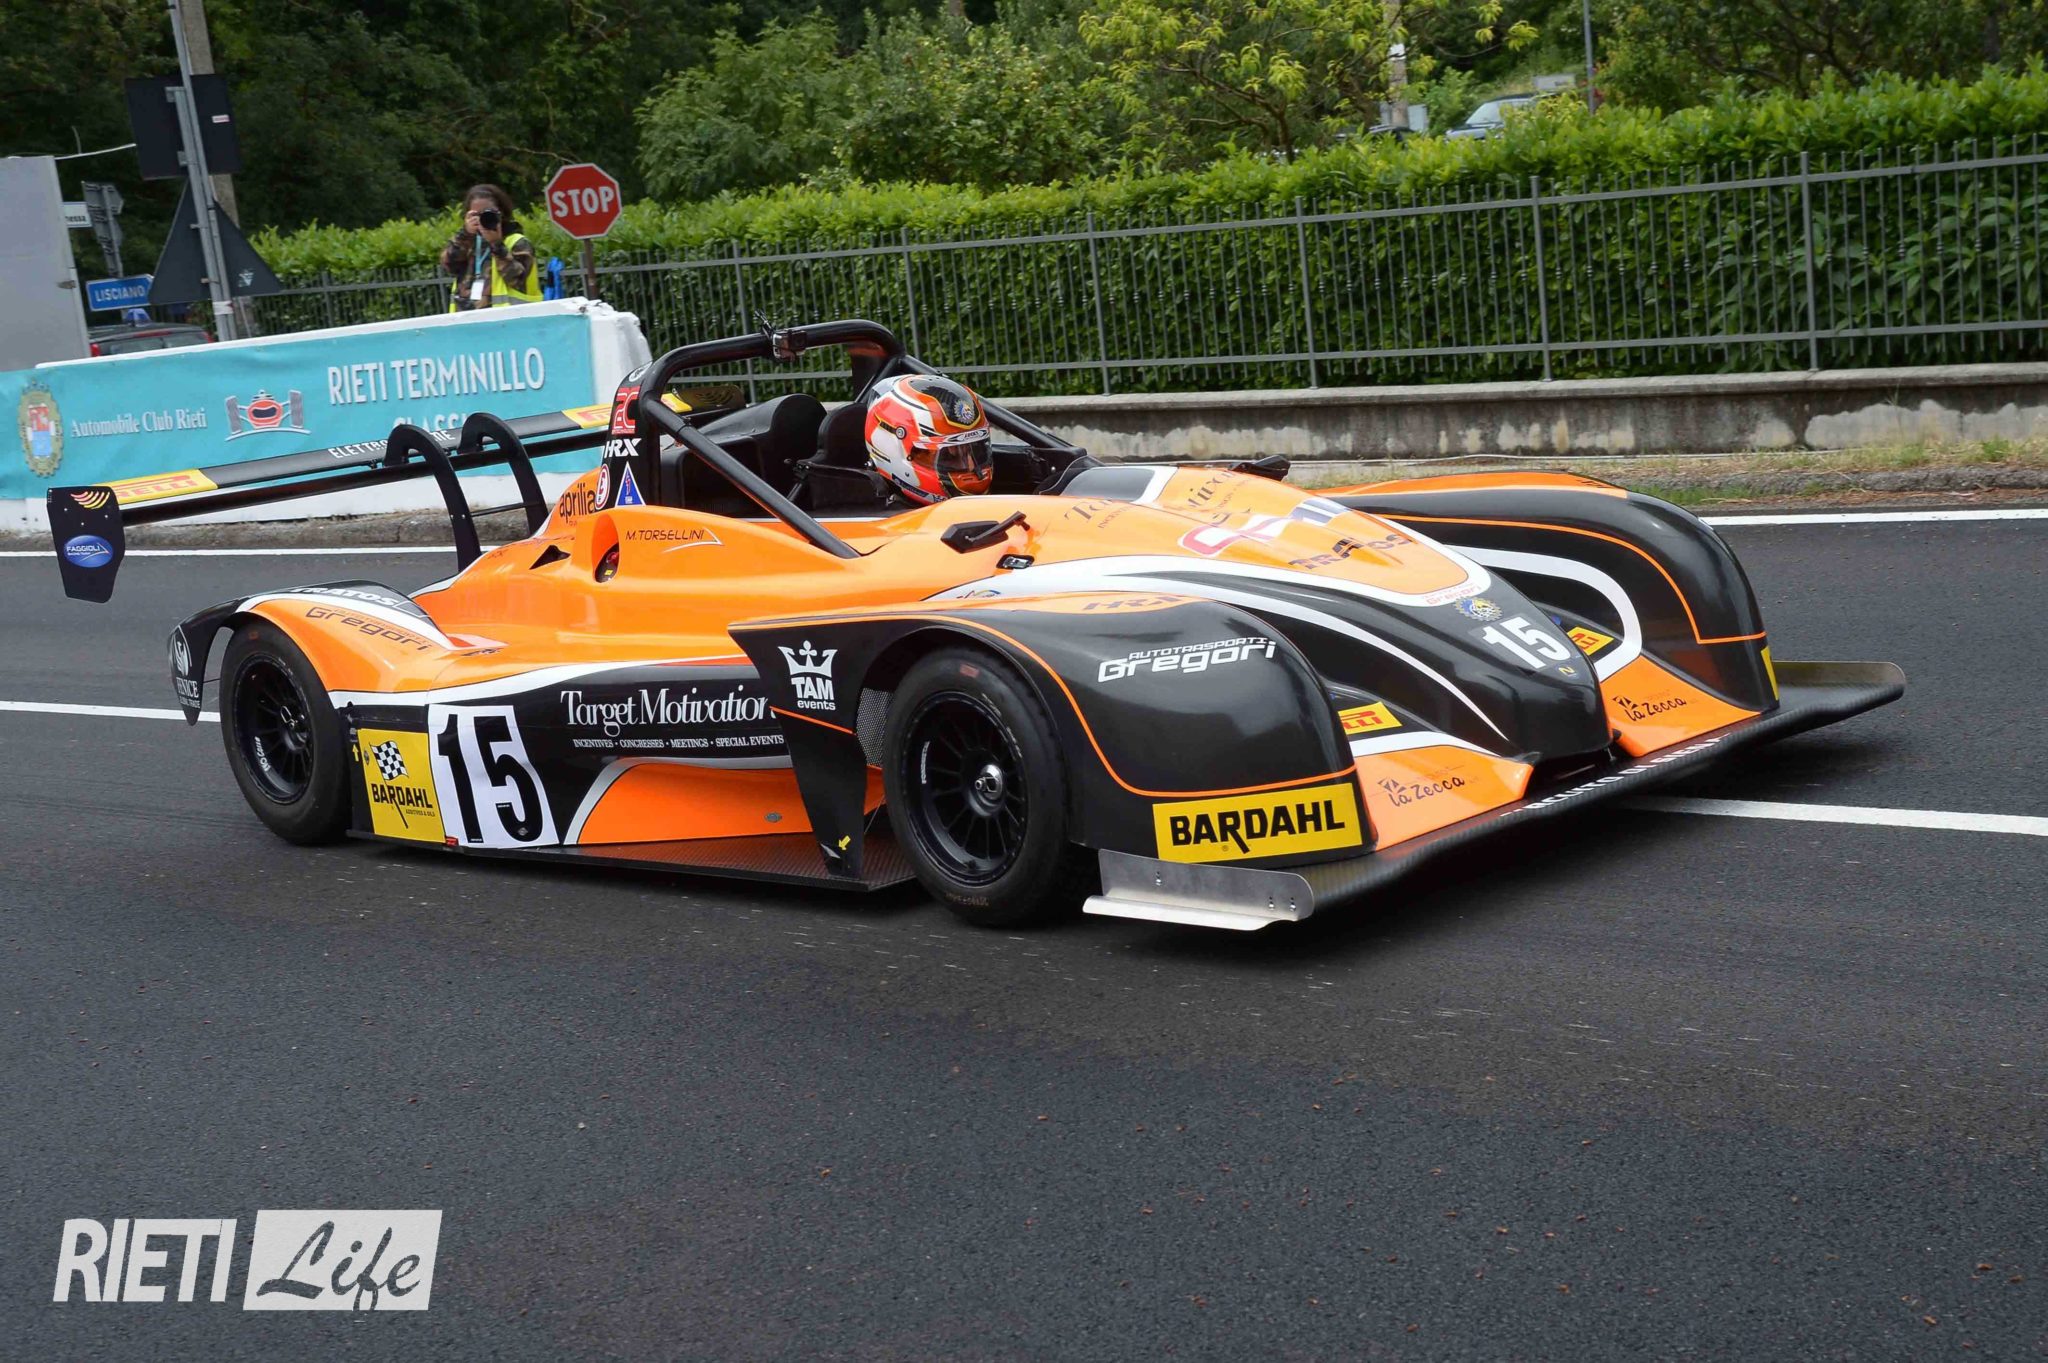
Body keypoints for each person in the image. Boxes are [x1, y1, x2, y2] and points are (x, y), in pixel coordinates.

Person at [863, 374, 995, 503]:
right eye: (948, 457)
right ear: (893, 449)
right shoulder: (865, 514)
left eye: (975, 450)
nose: (971, 467)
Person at [439, 184, 541, 311]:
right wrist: (464, 235)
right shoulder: (467, 242)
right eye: (476, 214)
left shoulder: (517, 242)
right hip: (466, 317)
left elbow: (517, 280)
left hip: (508, 317)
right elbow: (448, 266)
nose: (483, 218)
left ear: (502, 213)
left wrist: (497, 245)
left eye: (488, 213)